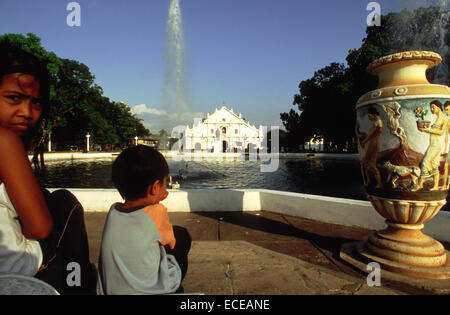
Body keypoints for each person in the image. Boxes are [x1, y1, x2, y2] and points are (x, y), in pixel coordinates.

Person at [0, 41, 96, 294]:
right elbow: (40, 229)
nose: (27, 112)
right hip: (15, 271)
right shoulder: (4, 141)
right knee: (65, 202)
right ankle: (78, 287)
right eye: (14, 98)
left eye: (36, 102)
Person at [97, 145, 191, 295]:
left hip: (111, 290)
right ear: (154, 188)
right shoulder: (156, 213)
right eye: (164, 184)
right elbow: (171, 243)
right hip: (153, 291)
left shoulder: (113, 211)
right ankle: (175, 289)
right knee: (182, 236)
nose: (165, 190)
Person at [414, 100, 447, 191]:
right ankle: (435, 186)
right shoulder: (437, 118)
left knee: (425, 162)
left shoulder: (444, 119)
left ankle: (420, 184)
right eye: (431, 107)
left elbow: (440, 132)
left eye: (433, 107)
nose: (431, 109)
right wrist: (424, 130)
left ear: (439, 107)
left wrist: (427, 130)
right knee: (434, 164)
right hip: (433, 143)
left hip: (437, 145)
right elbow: (433, 132)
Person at [361, 106, 383, 189]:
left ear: (374, 115)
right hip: (375, 144)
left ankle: (376, 183)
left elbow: (370, 135)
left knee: (368, 163)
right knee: (368, 163)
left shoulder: (376, 123)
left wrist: (364, 142)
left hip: (373, 144)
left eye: (370, 116)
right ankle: (370, 181)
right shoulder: (379, 122)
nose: (369, 118)